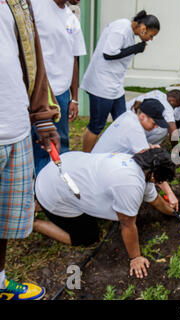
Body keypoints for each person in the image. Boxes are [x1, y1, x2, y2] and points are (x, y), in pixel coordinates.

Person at [33, 148, 177, 278]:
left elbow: (155, 199)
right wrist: (135, 257)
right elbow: (127, 224)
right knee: (88, 237)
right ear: (153, 176)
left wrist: (173, 212)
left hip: (59, 170)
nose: (160, 183)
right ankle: (33, 222)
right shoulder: (130, 184)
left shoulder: (134, 163)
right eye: (161, 180)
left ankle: (38, 203)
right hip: (55, 191)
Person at [0, 0, 60, 300]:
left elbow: (31, 57)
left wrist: (42, 115)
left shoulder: (17, 2)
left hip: (16, 129)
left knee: (3, 220)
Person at [80, 10, 160, 152]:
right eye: (151, 35)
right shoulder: (121, 28)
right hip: (101, 85)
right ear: (143, 29)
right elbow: (108, 54)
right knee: (96, 125)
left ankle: (118, 153)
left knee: (123, 121)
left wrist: (134, 48)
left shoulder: (129, 32)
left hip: (115, 86)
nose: (151, 39)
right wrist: (135, 49)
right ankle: (85, 157)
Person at [92, 98, 180, 212]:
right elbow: (151, 166)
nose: (156, 127)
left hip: (99, 162)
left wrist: (148, 147)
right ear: (143, 116)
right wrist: (170, 194)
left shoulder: (129, 116)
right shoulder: (134, 129)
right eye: (154, 123)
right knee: (141, 180)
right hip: (100, 176)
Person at [30, 0, 86, 175]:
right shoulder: (36, 5)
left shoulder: (71, 18)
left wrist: (74, 97)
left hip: (60, 95)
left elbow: (74, 60)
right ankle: (37, 186)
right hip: (35, 91)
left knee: (59, 144)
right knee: (36, 144)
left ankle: (55, 188)